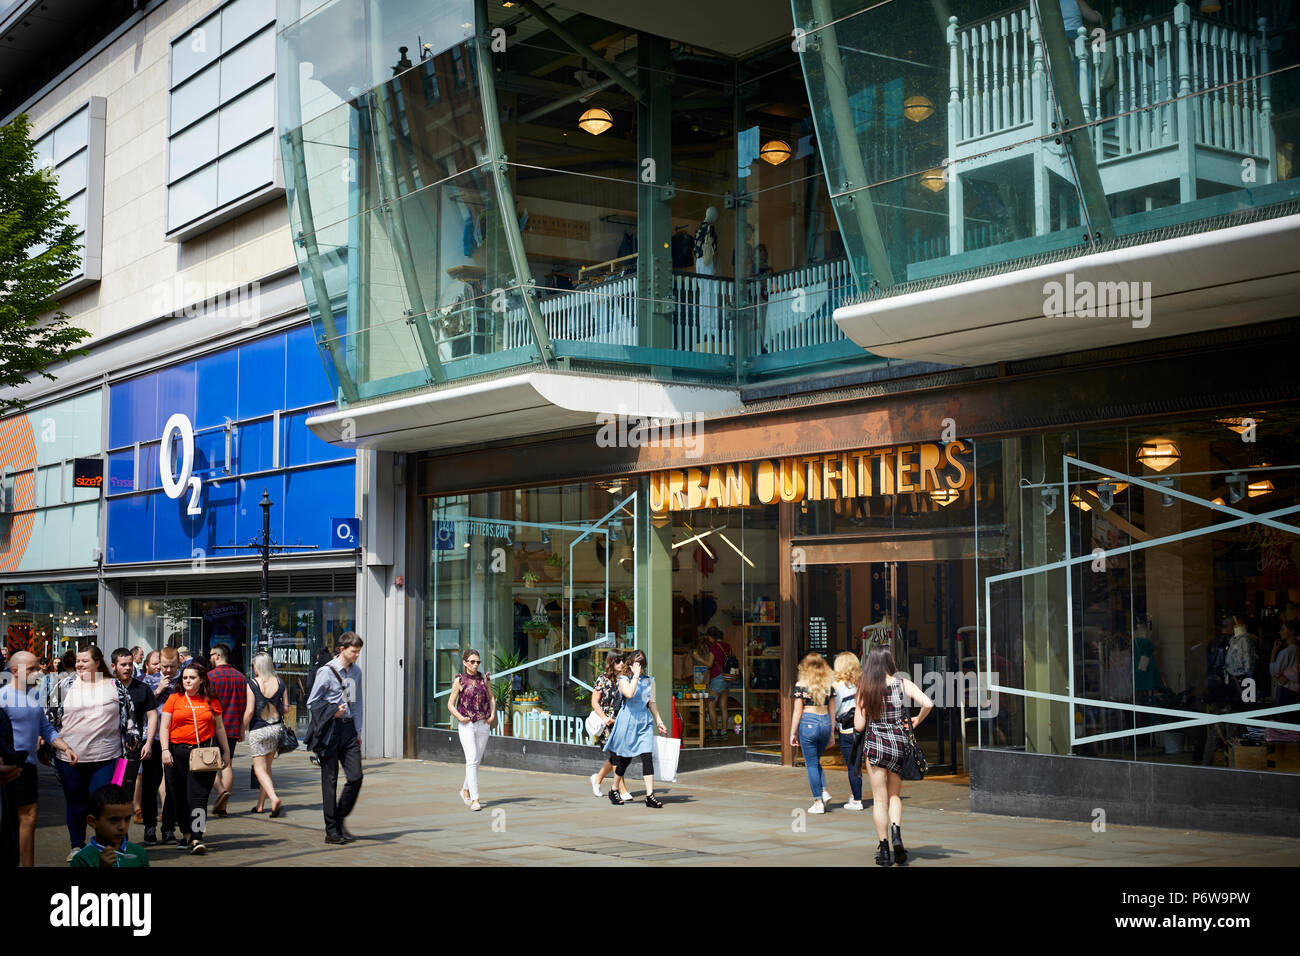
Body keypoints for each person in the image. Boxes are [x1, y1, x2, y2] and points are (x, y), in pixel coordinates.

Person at [46, 647, 139, 862]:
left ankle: (107, 847)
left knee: (104, 804)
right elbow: (49, 717)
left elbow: (131, 717)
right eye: (77, 661)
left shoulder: (115, 686)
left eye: (84, 661)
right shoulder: (64, 685)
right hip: (70, 758)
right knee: (75, 803)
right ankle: (77, 846)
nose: (79, 665)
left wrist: (132, 743)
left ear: (97, 662)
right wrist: (50, 746)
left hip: (106, 757)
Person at [855, 644, 933, 866]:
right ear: (890, 661)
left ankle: (884, 850)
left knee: (879, 800)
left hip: (876, 746)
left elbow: (859, 726)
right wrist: (917, 719)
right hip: (898, 745)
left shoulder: (865, 687)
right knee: (894, 796)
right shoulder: (902, 684)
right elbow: (928, 703)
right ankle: (897, 834)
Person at [1, 651, 78, 866]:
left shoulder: (34, 696)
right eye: (33, 668)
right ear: (15, 671)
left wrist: (65, 747)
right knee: (13, 820)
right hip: (7, 766)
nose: (39, 671)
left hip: (28, 767)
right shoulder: (3, 697)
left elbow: (45, 728)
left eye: (38, 667)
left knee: (28, 817)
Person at [159, 661, 230, 855]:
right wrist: (165, 750)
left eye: (192, 678)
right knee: (179, 798)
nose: (188, 681)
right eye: (185, 678)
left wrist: (226, 751)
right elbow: (164, 727)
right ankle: (187, 833)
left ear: (201, 680)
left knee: (198, 798)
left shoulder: (211, 700)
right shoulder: (174, 699)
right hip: (176, 754)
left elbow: (220, 727)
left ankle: (197, 837)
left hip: (202, 755)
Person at [306, 632, 365, 845]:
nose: (357, 655)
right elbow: (312, 702)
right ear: (342, 649)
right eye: (354, 651)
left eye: (359, 651)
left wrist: (358, 732)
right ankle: (331, 830)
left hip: (348, 731)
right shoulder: (326, 672)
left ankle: (339, 819)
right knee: (329, 780)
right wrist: (333, 711)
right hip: (330, 731)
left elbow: (356, 703)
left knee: (356, 776)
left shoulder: (356, 672)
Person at [603, 649, 668, 808]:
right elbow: (630, 694)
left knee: (647, 756)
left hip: (644, 723)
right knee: (625, 759)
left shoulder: (649, 680)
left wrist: (659, 721)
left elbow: (651, 702)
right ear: (630, 665)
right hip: (627, 723)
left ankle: (650, 796)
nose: (639, 668)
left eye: (641, 665)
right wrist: (636, 676)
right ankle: (614, 789)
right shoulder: (623, 679)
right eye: (636, 664)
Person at [140, 648, 181, 844]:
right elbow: (141, 708)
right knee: (150, 783)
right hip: (153, 739)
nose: (168, 670)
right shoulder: (148, 681)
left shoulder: (184, 680)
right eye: (164, 666)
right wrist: (159, 690)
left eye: (172, 667)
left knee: (174, 785)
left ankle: (168, 828)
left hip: (176, 738)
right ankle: (150, 826)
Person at [447, 647, 495, 811]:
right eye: (472, 662)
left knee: (476, 760)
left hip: (483, 724)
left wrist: (493, 715)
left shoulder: (484, 678)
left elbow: (491, 697)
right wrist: (460, 718)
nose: (475, 665)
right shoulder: (459, 680)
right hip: (467, 725)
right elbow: (450, 704)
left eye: (478, 662)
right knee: (472, 759)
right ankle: (475, 799)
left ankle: (465, 789)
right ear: (465, 662)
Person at [243, 652, 289, 816]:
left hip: (259, 729)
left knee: (259, 770)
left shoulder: (252, 684)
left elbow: (249, 711)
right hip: (275, 729)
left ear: (258, 666)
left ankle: (274, 798)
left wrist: (242, 729)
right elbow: (285, 708)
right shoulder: (280, 682)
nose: (253, 667)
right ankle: (260, 805)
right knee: (267, 768)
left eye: (254, 664)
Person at [790, 653, 836, 814]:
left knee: (811, 764)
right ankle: (824, 791)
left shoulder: (801, 684)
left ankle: (818, 801)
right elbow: (832, 710)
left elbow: (797, 711)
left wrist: (792, 733)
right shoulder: (829, 685)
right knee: (815, 760)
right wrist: (831, 733)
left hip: (808, 722)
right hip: (824, 722)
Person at [205, 645, 246, 817]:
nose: (209, 659)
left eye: (210, 655)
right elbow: (244, 705)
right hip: (232, 726)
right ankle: (223, 805)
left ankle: (221, 791)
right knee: (227, 764)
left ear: (216, 656)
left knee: (208, 766)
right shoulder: (241, 677)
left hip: (212, 727)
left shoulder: (210, 677)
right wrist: (242, 728)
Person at [110, 649, 157, 795]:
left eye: (130, 664)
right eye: (123, 664)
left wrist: (148, 743)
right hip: (106, 748)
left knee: (123, 788)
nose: (128, 668)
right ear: (113, 666)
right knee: (110, 788)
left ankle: (122, 815)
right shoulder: (106, 688)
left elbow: (152, 715)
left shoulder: (142, 688)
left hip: (130, 749)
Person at [69, 784, 149, 868]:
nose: (122, 826)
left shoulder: (138, 853)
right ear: (92, 821)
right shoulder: (82, 860)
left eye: (127, 819)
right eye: (114, 820)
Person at [588, 650, 625, 797]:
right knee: (616, 757)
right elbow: (594, 702)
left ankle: (597, 779)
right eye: (618, 661)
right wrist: (604, 718)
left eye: (623, 660)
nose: (621, 663)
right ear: (611, 662)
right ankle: (621, 790)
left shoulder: (625, 679)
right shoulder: (602, 679)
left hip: (621, 722)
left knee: (618, 757)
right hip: (607, 725)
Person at [832, 651, 865, 811]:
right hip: (863, 726)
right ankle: (857, 796)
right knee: (859, 765)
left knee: (852, 765)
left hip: (846, 730)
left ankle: (857, 799)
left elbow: (835, 709)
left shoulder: (837, 686)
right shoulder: (861, 682)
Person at [1271, 619, 1300, 724]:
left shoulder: (1286, 652)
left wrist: (1273, 652)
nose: (1280, 632)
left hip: (1286, 690)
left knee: (1284, 722)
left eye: (1283, 629)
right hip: (1294, 690)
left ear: (1291, 631)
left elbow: (1273, 671)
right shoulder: (1296, 649)